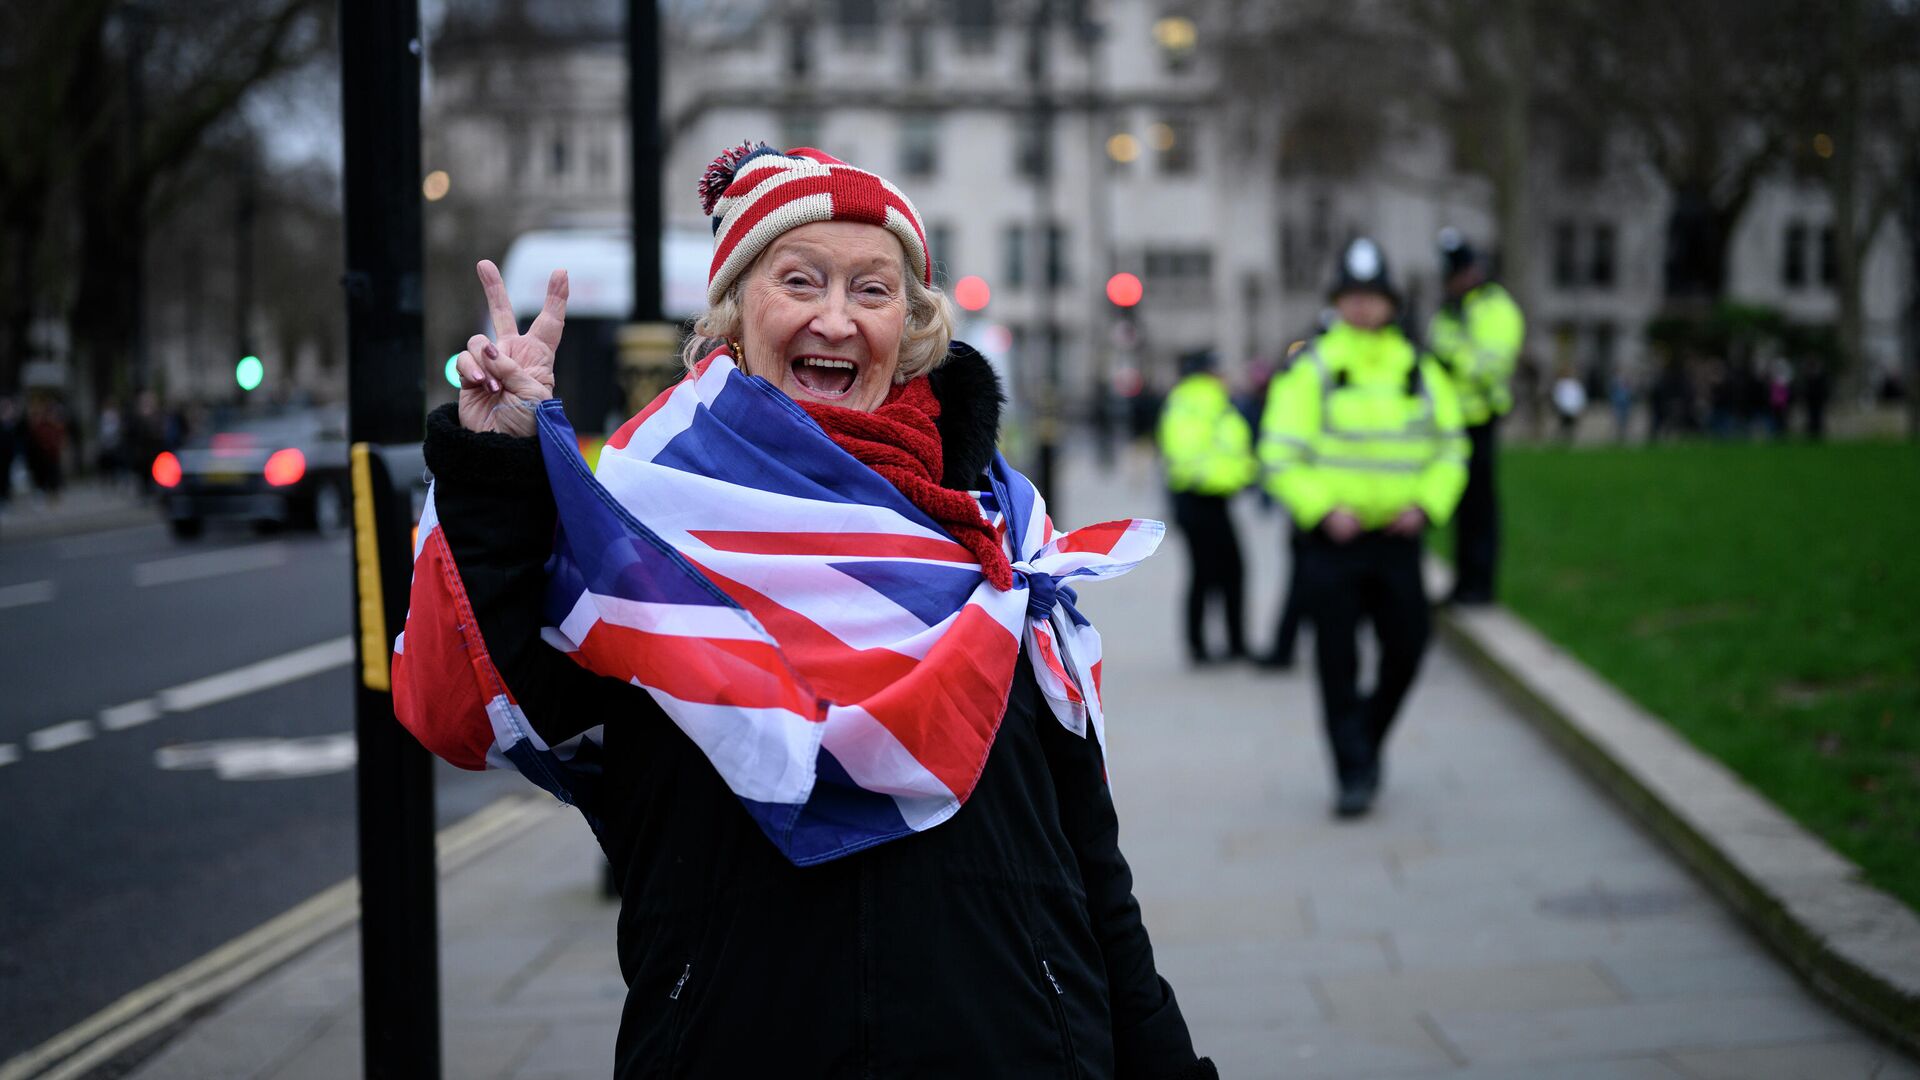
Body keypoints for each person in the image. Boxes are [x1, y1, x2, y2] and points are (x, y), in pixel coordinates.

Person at [395, 143, 1214, 1079]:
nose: (837, 317)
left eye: (872, 289)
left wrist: (1165, 1060)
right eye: (800, 279)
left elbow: (1086, 851)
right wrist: (496, 466)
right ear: (737, 312)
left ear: (909, 325)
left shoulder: (1003, 532)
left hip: (1009, 1038)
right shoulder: (642, 517)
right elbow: (481, 705)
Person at [1259, 237, 1467, 818]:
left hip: (1400, 540)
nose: (1363, 308)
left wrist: (1427, 505)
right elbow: (1279, 452)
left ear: (1391, 303)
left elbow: (1452, 449)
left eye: (1373, 298)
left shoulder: (1420, 369)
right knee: (1337, 661)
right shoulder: (1314, 367)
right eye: (1352, 297)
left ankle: (1364, 740)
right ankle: (1353, 773)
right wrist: (1324, 509)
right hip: (1334, 543)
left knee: (1409, 645)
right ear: (1338, 302)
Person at [1426, 228, 1523, 606]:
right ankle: (1463, 581)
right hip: (1450, 422)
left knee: (1480, 507)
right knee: (1461, 508)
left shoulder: (1495, 308)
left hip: (1480, 419)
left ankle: (1481, 585)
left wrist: (1452, 361)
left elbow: (1491, 363)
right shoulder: (1452, 310)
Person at [1156, 348, 1256, 665]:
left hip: (1200, 498)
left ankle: (1208, 645)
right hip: (1203, 497)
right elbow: (1195, 454)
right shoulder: (1205, 399)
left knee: (1211, 573)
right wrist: (1238, 477)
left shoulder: (1188, 399)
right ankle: (1219, 645)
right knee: (1220, 573)